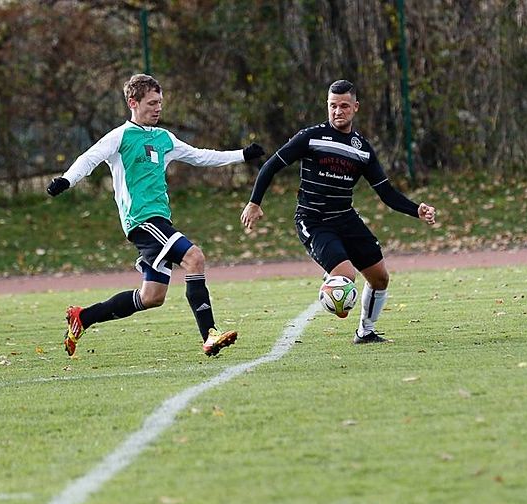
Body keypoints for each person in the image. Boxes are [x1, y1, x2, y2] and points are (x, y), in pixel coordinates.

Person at [47, 74, 264, 357]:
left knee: (152, 297)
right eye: (151, 103)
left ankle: (83, 317)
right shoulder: (120, 136)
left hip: (159, 220)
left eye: (160, 102)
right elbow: (89, 158)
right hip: (141, 220)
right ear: (133, 103)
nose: (158, 108)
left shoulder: (164, 138)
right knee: (194, 257)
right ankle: (210, 334)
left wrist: (242, 155)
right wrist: (66, 180)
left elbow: (200, 156)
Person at [241, 79, 436, 344]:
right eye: (332, 105)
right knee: (346, 276)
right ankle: (332, 280)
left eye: (344, 106)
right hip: (313, 220)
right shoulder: (310, 137)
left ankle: (365, 332)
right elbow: (271, 165)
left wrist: (416, 210)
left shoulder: (362, 149)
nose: (337, 111)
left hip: (345, 218)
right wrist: (254, 202)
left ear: (355, 107)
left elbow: (386, 193)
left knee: (380, 278)